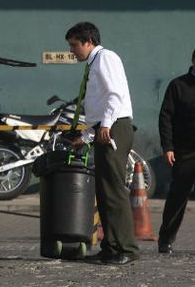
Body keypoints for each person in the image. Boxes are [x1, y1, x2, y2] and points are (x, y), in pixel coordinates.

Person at [65, 21, 139, 265]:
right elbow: (97, 106)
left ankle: (126, 248)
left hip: (115, 128)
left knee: (114, 190)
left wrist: (106, 125)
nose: (72, 50)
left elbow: (114, 94)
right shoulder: (93, 63)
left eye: (75, 45)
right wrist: (86, 136)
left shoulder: (106, 58)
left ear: (89, 42)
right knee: (104, 191)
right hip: (105, 129)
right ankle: (111, 245)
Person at [157, 48, 195, 254]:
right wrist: (168, 147)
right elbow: (165, 118)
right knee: (178, 196)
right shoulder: (178, 86)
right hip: (185, 149)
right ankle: (166, 238)